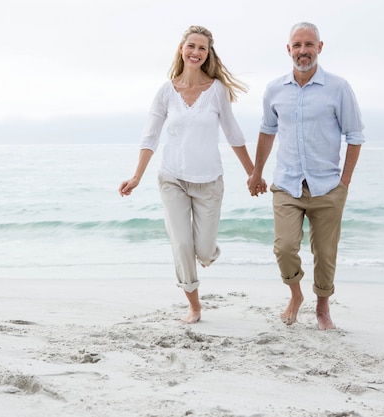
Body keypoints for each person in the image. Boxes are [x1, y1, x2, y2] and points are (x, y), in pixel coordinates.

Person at [119, 25, 265, 324]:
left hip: (209, 182)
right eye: (191, 46)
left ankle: (208, 254)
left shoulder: (217, 91)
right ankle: (194, 305)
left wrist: (254, 173)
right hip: (172, 179)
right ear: (181, 49)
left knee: (205, 250)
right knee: (182, 246)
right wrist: (136, 177)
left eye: (202, 48)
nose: (196, 52)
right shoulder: (165, 91)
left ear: (208, 53)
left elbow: (234, 134)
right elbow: (150, 137)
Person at [248, 22, 365, 330]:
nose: (303, 51)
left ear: (320, 47)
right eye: (297, 45)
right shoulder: (275, 89)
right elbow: (267, 131)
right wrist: (256, 172)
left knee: (325, 254)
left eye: (309, 45)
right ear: (289, 50)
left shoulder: (338, 88)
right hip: (286, 184)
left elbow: (354, 136)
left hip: (327, 186)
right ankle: (296, 295)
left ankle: (323, 310)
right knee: (285, 248)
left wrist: (345, 184)